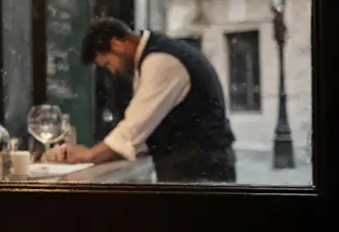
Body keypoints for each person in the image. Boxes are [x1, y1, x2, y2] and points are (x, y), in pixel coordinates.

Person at [45, 18, 237, 183]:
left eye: (108, 63)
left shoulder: (161, 61)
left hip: (201, 171)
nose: (112, 71)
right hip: (193, 167)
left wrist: (89, 155)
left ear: (117, 44)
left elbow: (135, 127)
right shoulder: (156, 56)